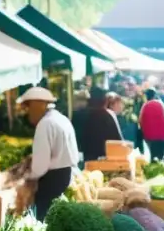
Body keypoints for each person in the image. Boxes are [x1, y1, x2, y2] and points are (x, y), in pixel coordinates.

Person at [18, 86, 79, 220]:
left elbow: (40, 166)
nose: (27, 113)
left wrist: (27, 177)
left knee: (44, 218)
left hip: (51, 179)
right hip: (66, 174)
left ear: (37, 105)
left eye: (28, 107)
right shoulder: (61, 118)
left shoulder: (45, 124)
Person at [79, 86, 123, 162]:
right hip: (104, 156)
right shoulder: (107, 115)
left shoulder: (81, 114)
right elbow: (116, 138)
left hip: (88, 154)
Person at [139, 88, 164, 160]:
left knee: (153, 156)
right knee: (160, 157)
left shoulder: (145, 105)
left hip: (151, 137)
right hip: (163, 136)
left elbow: (140, 121)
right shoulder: (161, 104)